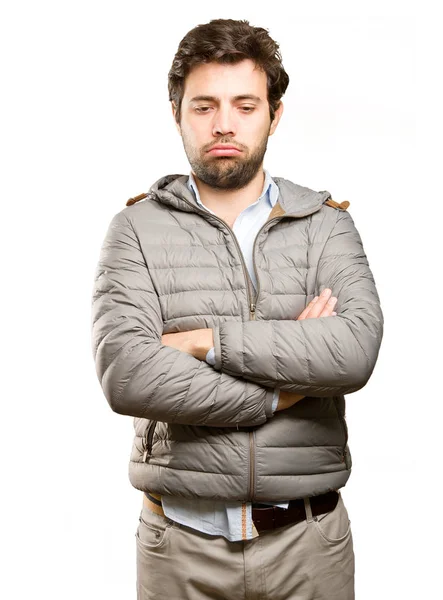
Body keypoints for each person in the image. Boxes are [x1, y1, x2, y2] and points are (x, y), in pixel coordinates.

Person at [91, 17, 384, 600]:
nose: (224, 124)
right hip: (179, 549)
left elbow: (353, 352)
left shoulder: (326, 225)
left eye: (244, 105)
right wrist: (286, 388)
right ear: (176, 112)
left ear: (274, 114)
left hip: (309, 546)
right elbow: (127, 373)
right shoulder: (135, 230)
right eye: (204, 107)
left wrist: (205, 342)